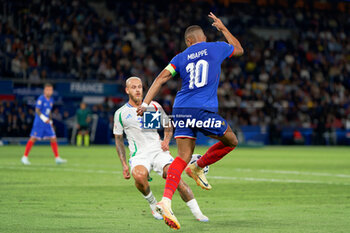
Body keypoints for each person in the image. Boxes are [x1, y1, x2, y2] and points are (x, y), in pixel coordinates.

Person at [137, 12, 244, 229]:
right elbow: (239, 49)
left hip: (182, 108)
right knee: (231, 140)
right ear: (201, 38)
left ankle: (165, 202)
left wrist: (146, 104)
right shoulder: (216, 47)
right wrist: (223, 28)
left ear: (188, 42)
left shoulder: (180, 57)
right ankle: (199, 166)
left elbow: (160, 79)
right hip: (201, 110)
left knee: (182, 156)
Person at [114, 77, 208, 222]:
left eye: (139, 86)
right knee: (139, 176)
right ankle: (153, 206)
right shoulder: (121, 113)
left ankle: (198, 213)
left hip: (158, 152)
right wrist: (124, 164)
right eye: (133, 87)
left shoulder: (153, 106)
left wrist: (166, 140)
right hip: (139, 155)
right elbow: (119, 140)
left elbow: (168, 126)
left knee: (175, 176)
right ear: (127, 90)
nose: (138, 90)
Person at [21, 83, 67, 165]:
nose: (49, 91)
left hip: (47, 123)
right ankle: (24, 157)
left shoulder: (51, 100)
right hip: (39, 122)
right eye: (47, 90)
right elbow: (37, 110)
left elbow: (49, 112)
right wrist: (43, 118)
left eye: (51, 90)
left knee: (53, 138)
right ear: (44, 91)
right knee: (33, 138)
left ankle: (57, 158)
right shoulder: (41, 98)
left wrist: (50, 120)